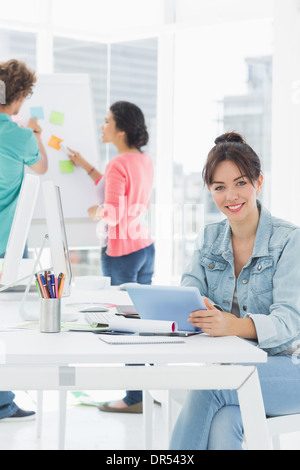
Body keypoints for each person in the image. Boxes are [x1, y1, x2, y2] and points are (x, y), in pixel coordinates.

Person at [170, 132, 300, 450]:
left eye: (241, 183)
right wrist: (196, 303)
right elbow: (190, 286)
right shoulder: (210, 238)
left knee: (208, 387)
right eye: (219, 187)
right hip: (234, 364)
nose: (231, 195)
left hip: (289, 367)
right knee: (226, 419)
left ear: (259, 182)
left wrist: (233, 325)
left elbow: (289, 323)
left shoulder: (289, 240)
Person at [67, 101, 155, 413]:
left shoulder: (119, 164)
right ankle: (144, 390)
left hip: (122, 253)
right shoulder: (141, 160)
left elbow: (113, 211)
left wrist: (95, 212)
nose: (101, 126)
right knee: (144, 322)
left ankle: (134, 399)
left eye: (106, 121)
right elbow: (114, 189)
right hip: (144, 247)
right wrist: (86, 165)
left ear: (120, 130)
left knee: (128, 326)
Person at [0, 59, 48, 421]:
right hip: (7, 247)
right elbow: (42, 167)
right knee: (5, 329)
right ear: (17, 97)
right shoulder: (19, 136)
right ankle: (3, 401)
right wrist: (37, 134)